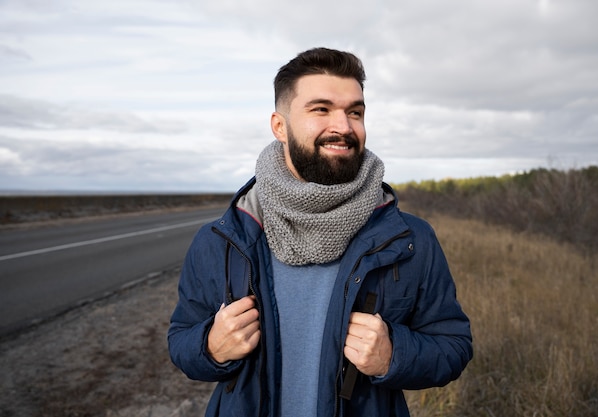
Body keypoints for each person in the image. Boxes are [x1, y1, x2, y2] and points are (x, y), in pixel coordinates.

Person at [168, 47, 472, 417]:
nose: (343, 127)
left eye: (355, 112)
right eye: (321, 109)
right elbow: (181, 341)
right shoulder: (223, 239)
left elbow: (453, 346)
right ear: (280, 126)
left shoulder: (410, 239)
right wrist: (211, 347)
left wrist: (394, 355)